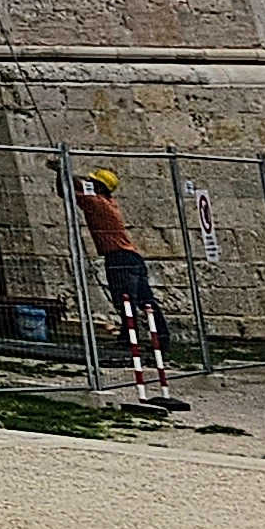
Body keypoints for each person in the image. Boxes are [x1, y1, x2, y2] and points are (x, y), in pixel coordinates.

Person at [77, 170, 180, 405]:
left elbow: (72, 188)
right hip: (132, 258)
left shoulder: (98, 204)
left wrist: (62, 166)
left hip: (119, 259)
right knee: (144, 301)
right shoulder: (108, 202)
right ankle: (158, 338)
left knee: (124, 299)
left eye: (94, 182)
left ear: (99, 187)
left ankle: (133, 338)